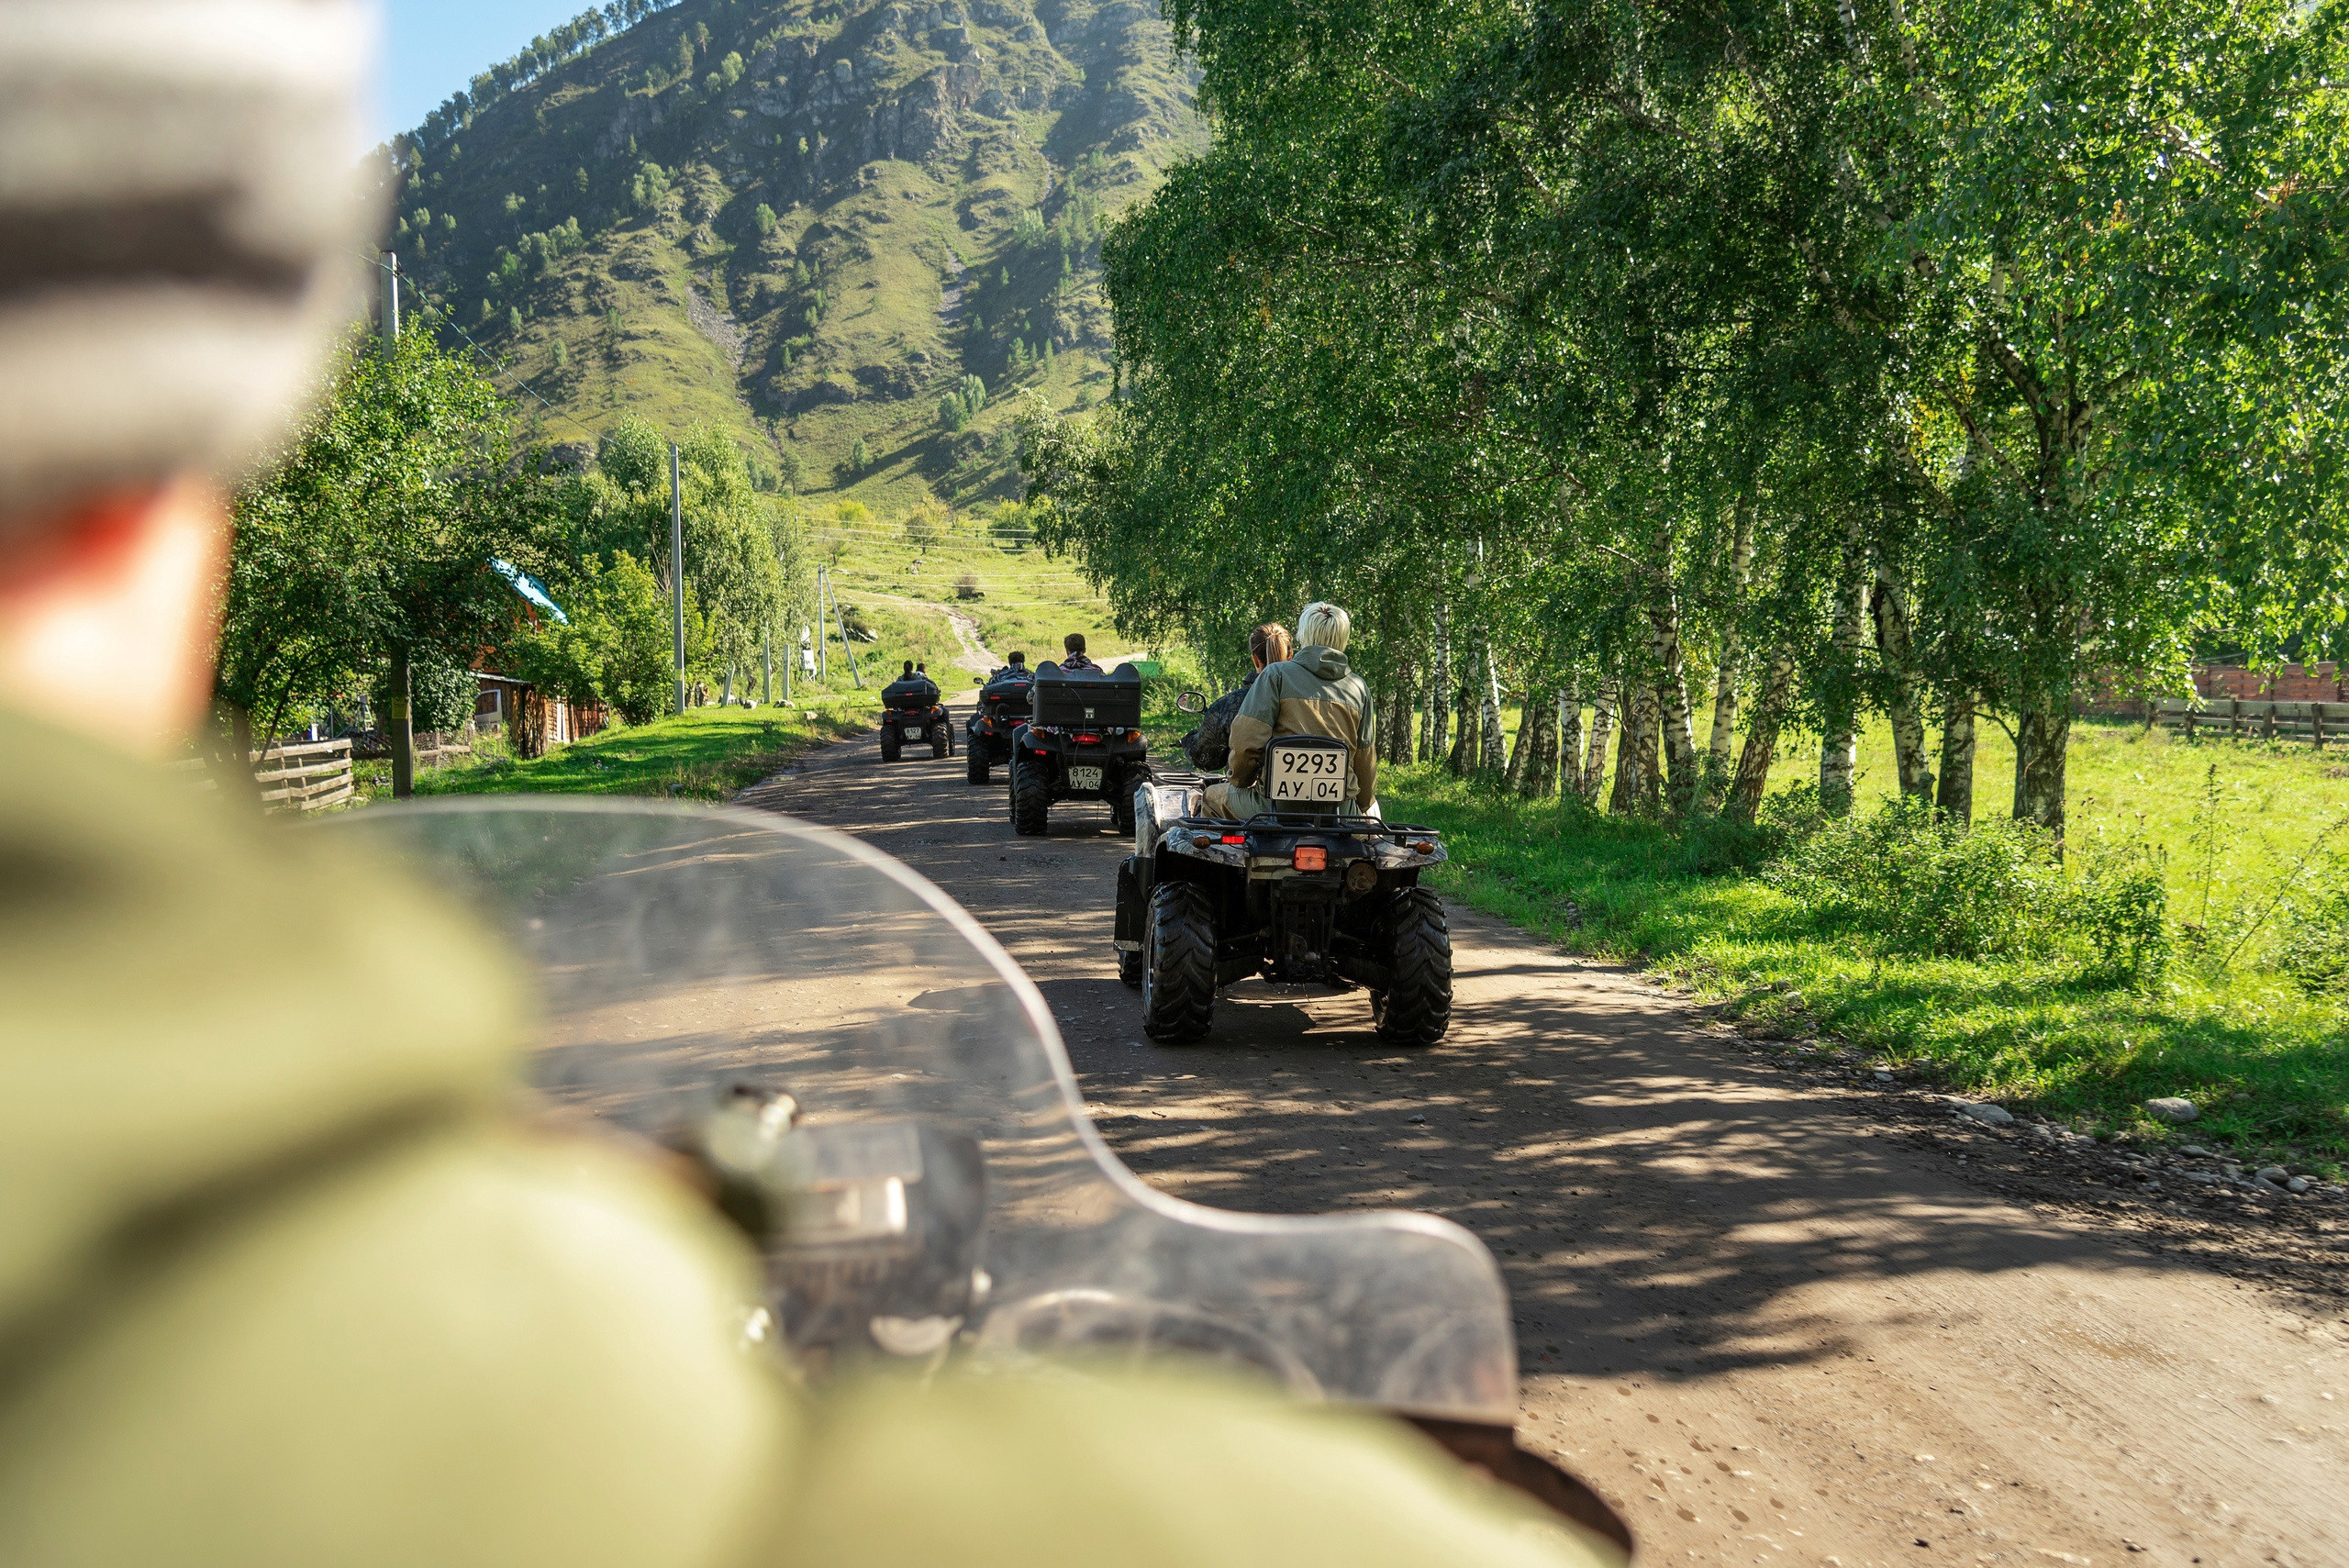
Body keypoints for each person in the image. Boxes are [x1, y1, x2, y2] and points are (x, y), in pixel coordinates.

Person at [0, 12, 1616, 1567]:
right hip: (1336, 859)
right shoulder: (1339, 692)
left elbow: (1228, 756)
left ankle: (1183, 943)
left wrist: (1202, 775)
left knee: (1181, 857)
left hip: (1254, 834)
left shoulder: (1258, 696)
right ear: (163, 457)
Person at [1205, 603, 1379, 820]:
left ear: (1303, 635)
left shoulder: (1276, 675)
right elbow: (1365, 761)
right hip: (1339, 813)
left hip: (1274, 808)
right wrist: (1361, 806)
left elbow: (1246, 741)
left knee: (1211, 797)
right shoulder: (1359, 688)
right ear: (1343, 638)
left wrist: (1240, 780)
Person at [1182, 623, 1293, 770]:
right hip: (1305, 790)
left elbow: (1206, 758)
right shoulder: (1309, 700)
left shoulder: (1231, 704)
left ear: (1255, 659)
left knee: (1207, 792)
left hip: (1250, 790)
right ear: (1290, 656)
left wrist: (1188, 740)